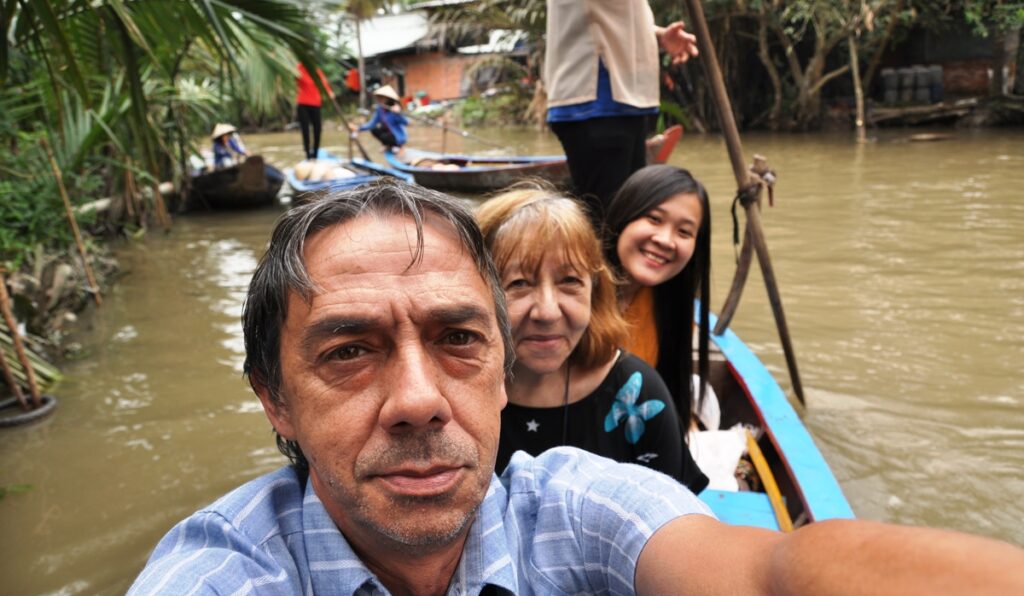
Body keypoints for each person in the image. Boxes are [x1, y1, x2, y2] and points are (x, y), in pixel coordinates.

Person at [129, 180, 1024, 595]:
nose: (418, 399)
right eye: (349, 352)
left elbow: (766, 573)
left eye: (457, 341)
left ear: (499, 365)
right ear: (273, 400)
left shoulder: (578, 490)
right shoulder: (223, 572)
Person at [476, 187, 707, 491]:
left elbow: (678, 523)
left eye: (570, 281)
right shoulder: (450, 391)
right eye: (518, 283)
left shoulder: (637, 392)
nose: (547, 312)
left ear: (594, 291)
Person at [544, 0, 699, 225]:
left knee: (628, 217)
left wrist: (657, 35)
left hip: (623, 102)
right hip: (599, 100)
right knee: (609, 225)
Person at [606, 164, 712, 437]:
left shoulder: (673, 312)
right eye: (654, 219)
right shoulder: (572, 294)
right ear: (624, 216)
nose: (666, 240)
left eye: (684, 232)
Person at [350, 85, 409, 154]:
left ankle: (398, 146)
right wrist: (359, 129)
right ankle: (387, 145)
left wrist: (398, 114)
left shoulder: (395, 109)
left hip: (397, 136)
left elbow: (406, 122)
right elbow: (372, 123)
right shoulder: (380, 109)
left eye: (381, 97)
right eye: (379, 97)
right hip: (388, 133)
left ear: (387, 98)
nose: (379, 99)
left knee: (386, 136)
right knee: (374, 129)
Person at [296, 62, 335, 160]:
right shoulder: (299, 68)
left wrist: (330, 92)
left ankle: (315, 154)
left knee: (318, 129)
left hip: (315, 104)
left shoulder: (317, 71)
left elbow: (324, 83)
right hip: (303, 103)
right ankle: (308, 155)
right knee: (305, 130)